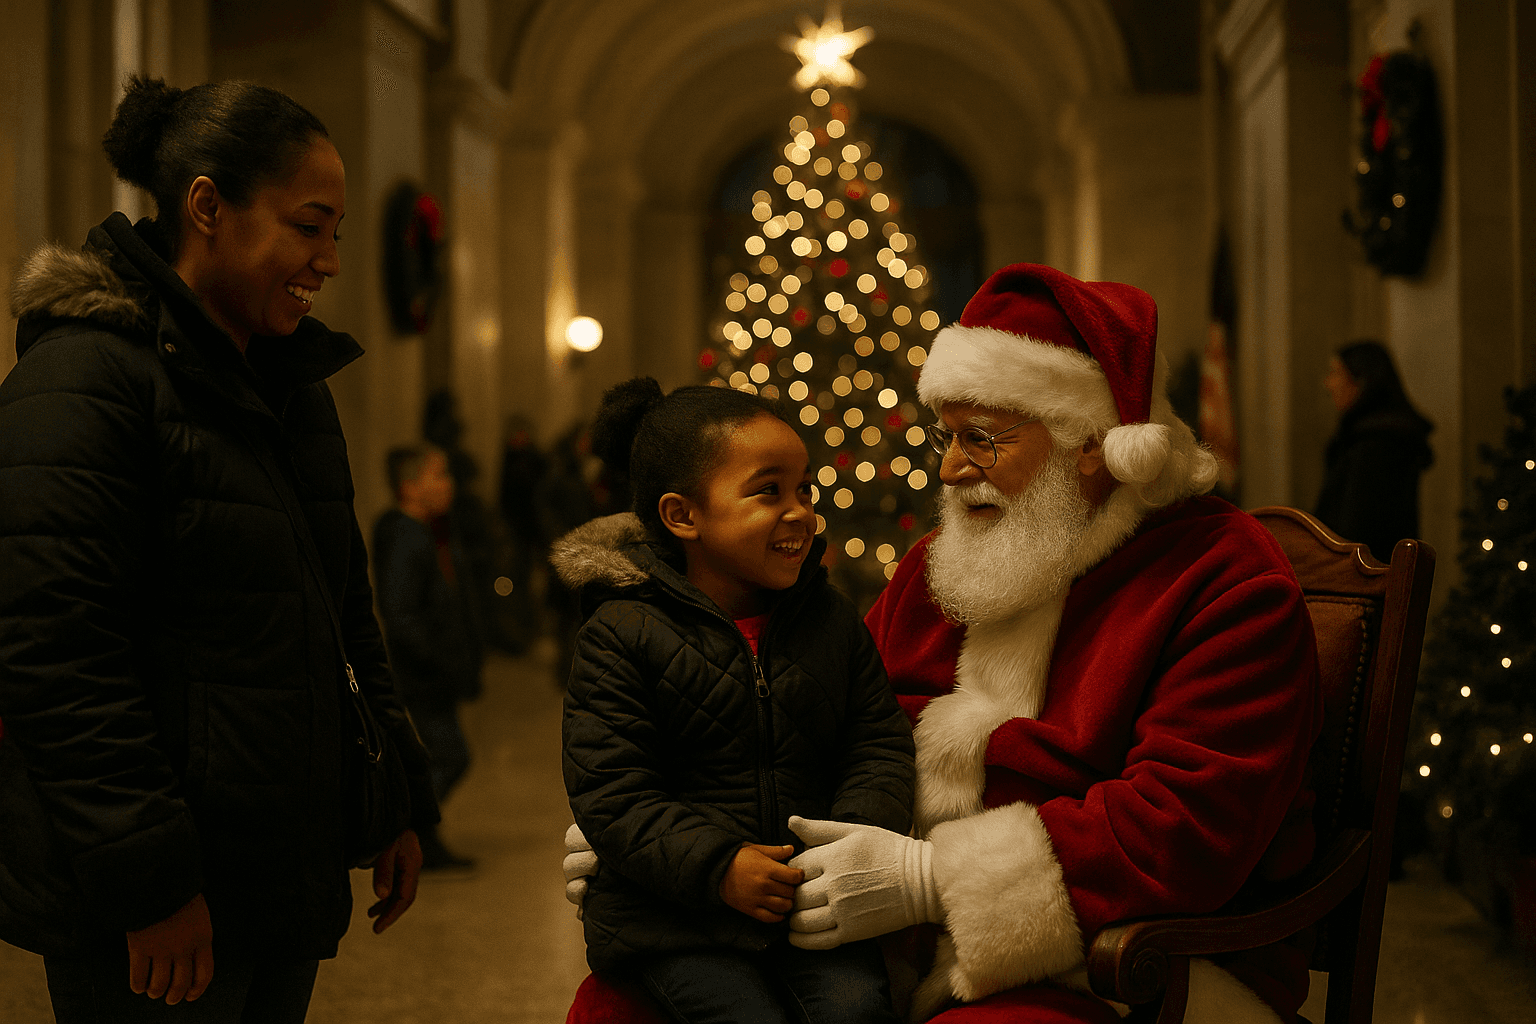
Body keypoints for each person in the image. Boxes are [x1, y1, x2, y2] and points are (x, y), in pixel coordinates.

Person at [566, 265, 1323, 1024]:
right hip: (889, 936)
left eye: (982, 441)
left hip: (1111, 959)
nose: (951, 467)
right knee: (618, 1006)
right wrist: (667, 844)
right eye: (947, 437)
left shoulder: (1222, 577)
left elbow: (1184, 827)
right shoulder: (943, 563)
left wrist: (932, 879)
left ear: (1091, 445)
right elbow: (820, 727)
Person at [0, 75, 436, 1022]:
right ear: (207, 206)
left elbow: (340, 609)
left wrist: (394, 796)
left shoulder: (288, 386)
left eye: (337, 233)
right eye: (308, 225)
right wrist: (148, 883)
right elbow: (56, 656)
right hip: (154, 899)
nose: (327, 259)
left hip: (274, 875)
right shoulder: (84, 377)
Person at [555, 378, 915, 1024]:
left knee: (857, 1009)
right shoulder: (621, 633)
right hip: (676, 916)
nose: (800, 511)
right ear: (683, 515)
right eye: (767, 491)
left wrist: (849, 841)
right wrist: (719, 866)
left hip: (809, 903)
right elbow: (613, 791)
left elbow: (876, 741)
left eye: (805, 488)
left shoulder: (827, 619)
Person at [373, 445, 485, 872]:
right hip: (421, 675)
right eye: (437, 476)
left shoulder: (429, 531)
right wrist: (439, 660)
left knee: (441, 756)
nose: (448, 485)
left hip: (434, 672)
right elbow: (402, 615)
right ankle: (411, 832)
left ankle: (420, 835)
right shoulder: (406, 538)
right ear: (410, 487)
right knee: (449, 755)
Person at [1316, 340, 1433, 563]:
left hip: (1365, 577)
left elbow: (1356, 531)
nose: (1328, 384)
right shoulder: (1366, 437)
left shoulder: (1375, 444)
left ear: (1362, 381)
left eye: (1336, 373)